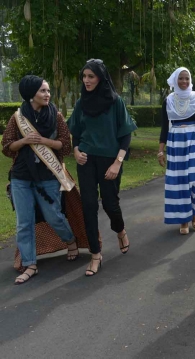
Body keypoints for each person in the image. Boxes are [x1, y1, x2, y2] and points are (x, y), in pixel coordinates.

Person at [2, 75, 82, 284]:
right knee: (24, 222)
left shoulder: (55, 116)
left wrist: (44, 141)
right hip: (21, 176)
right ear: (31, 95)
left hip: (48, 175)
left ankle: (70, 241)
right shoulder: (17, 117)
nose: (47, 94)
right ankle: (30, 264)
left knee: (54, 215)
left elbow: (65, 145)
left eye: (48, 91)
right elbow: (7, 147)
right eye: (43, 91)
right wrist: (24, 141)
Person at [68, 59, 137, 277]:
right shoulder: (81, 103)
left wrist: (118, 162)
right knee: (88, 205)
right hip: (86, 160)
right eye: (84, 76)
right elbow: (76, 133)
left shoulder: (115, 102)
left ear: (100, 77)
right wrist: (76, 150)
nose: (86, 80)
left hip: (109, 160)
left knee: (110, 204)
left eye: (91, 76)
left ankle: (120, 230)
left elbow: (125, 134)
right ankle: (95, 254)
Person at [158, 67, 195, 235]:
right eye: (181, 78)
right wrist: (160, 151)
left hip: (193, 141)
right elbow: (164, 127)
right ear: (175, 80)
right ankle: (184, 220)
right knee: (178, 183)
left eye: (187, 78)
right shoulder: (168, 101)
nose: (184, 82)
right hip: (175, 142)